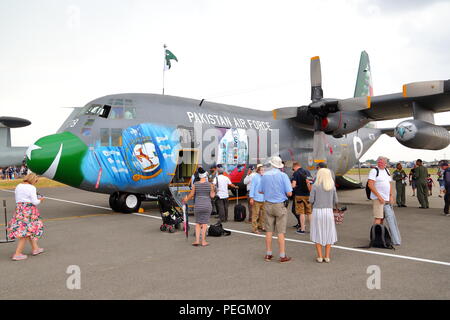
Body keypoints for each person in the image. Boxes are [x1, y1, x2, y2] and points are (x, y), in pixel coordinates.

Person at [259, 156, 293, 263]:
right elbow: (289, 193)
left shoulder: (265, 175)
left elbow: (260, 191)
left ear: (271, 164)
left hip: (268, 204)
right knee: (280, 231)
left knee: (269, 230)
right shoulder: (283, 176)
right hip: (279, 204)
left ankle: (268, 254)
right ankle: (282, 255)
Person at [7, 173, 45, 261]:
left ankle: (35, 249)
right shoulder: (31, 188)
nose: (35, 183)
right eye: (35, 181)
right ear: (32, 180)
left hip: (19, 209)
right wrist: (41, 200)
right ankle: (17, 254)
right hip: (29, 210)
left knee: (28, 230)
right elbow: (35, 202)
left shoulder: (18, 186)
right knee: (26, 232)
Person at [309, 168, 338, 263]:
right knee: (329, 232)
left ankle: (320, 256)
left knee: (318, 232)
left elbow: (311, 200)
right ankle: (327, 256)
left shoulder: (315, 186)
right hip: (328, 211)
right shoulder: (332, 186)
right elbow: (336, 201)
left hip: (318, 211)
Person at [182, 168, 215, 246]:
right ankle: (203, 241)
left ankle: (197, 241)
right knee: (204, 224)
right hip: (207, 205)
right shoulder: (210, 185)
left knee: (197, 223)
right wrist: (213, 189)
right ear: (205, 176)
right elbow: (212, 196)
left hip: (198, 206)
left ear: (199, 176)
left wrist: (186, 199)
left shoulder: (195, 184)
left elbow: (191, 194)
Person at [367, 156, 393, 225]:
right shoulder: (374, 171)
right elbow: (370, 185)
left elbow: (389, 184)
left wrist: (390, 196)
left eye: (382, 162)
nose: (380, 163)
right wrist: (379, 197)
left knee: (382, 218)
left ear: (386, 163)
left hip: (386, 198)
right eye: (379, 162)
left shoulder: (387, 171)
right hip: (378, 198)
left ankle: (380, 233)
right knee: (378, 218)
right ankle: (376, 235)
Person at [291, 162, 312, 234]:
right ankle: (312, 229)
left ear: (295, 167)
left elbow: (293, 185)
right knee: (309, 212)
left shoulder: (296, 173)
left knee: (301, 212)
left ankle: (302, 229)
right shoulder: (307, 172)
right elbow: (310, 182)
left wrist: (293, 186)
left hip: (299, 195)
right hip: (308, 195)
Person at [249, 164, 265, 234]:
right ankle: (254, 228)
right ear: (258, 171)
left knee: (263, 214)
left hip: (264, 199)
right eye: (261, 170)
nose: (263, 171)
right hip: (256, 199)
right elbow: (252, 188)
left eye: (263, 170)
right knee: (255, 215)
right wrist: (251, 198)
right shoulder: (255, 177)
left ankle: (261, 226)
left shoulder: (264, 177)